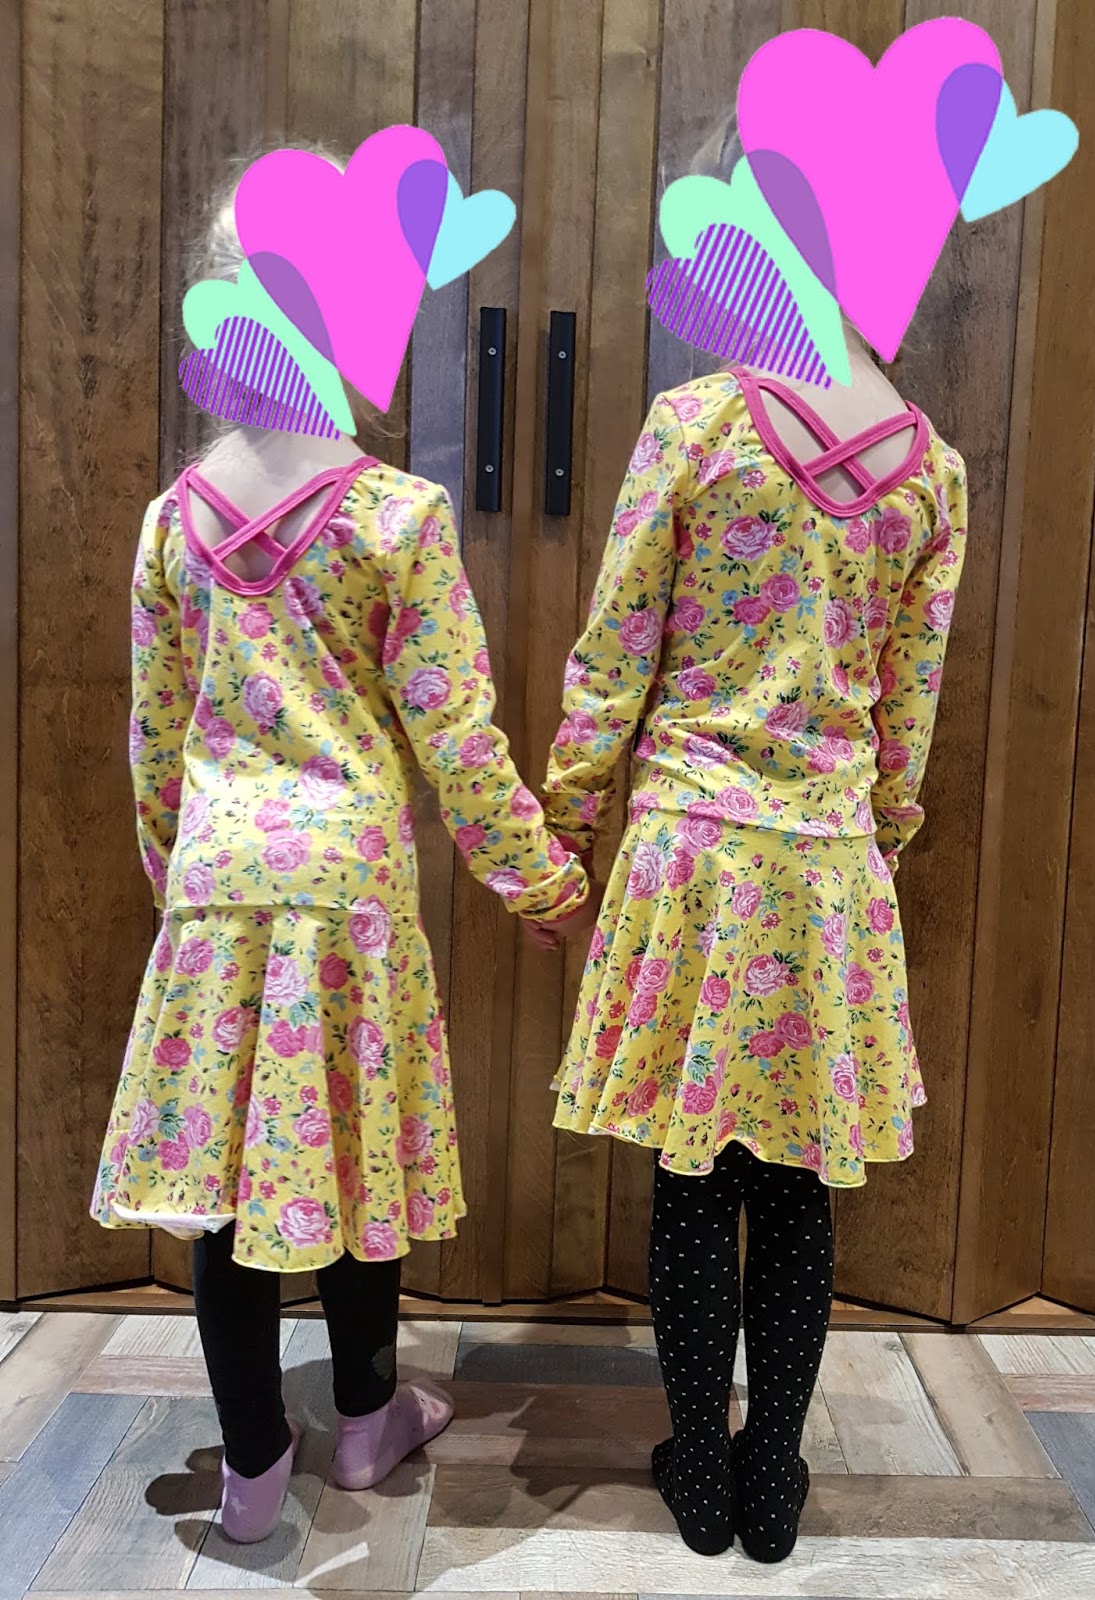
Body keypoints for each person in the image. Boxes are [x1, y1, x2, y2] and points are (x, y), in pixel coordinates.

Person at [90, 174, 597, 1545]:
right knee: (359, 1162)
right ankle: (368, 1423)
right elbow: (459, 740)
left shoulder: (175, 522)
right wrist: (542, 883)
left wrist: (180, 881)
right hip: (352, 900)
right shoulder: (396, 519)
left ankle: (253, 1470)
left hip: (221, 894)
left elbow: (154, 738)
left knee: (227, 1189)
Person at [539, 328, 968, 1561]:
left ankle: (700, 1467)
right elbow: (909, 704)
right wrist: (883, 831)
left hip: (694, 858)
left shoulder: (697, 424)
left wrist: (570, 818)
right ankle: (771, 1474)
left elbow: (617, 647)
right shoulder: (930, 472)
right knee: (794, 1186)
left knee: (695, 1180)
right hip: (827, 867)